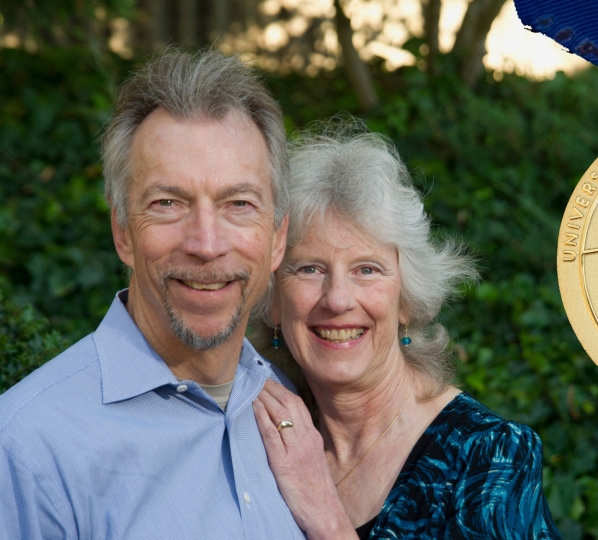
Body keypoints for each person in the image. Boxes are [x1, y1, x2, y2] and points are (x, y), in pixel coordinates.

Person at [0, 48, 305, 539]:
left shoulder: (290, 407)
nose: (206, 244)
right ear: (123, 231)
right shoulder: (28, 448)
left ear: (277, 237)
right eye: (168, 203)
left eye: (238, 203)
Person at [247, 121, 561, 539]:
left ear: (406, 300)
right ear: (272, 300)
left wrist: (325, 517)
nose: (338, 299)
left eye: (367, 269)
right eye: (309, 268)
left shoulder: (487, 458)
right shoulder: (259, 433)